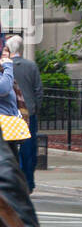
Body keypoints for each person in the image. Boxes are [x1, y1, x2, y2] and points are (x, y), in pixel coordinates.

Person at [6, 36, 42, 191]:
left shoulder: (5, 66)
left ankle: (14, 182)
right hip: (28, 113)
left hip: (9, 114)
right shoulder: (31, 66)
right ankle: (28, 183)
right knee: (28, 149)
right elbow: (38, 91)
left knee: (10, 149)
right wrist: (35, 109)